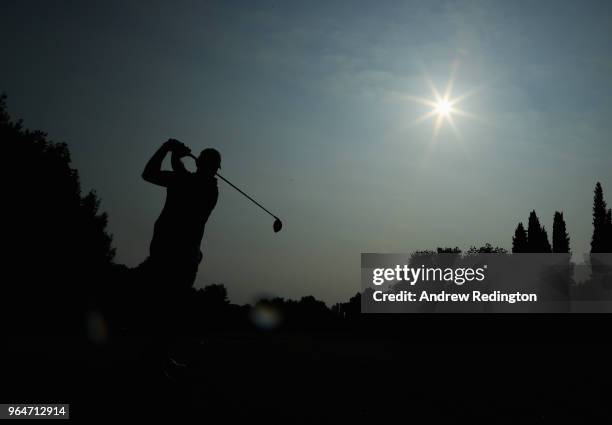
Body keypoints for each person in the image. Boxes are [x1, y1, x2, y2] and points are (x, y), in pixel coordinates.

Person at [139, 138, 221, 371]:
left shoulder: (207, 189)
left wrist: (170, 150)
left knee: (168, 308)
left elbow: (168, 176)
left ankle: (156, 358)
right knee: (163, 306)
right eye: (212, 167)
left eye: (215, 168)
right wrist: (169, 152)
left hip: (179, 254)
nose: (214, 172)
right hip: (171, 252)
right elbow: (149, 174)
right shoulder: (192, 182)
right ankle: (155, 359)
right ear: (205, 166)